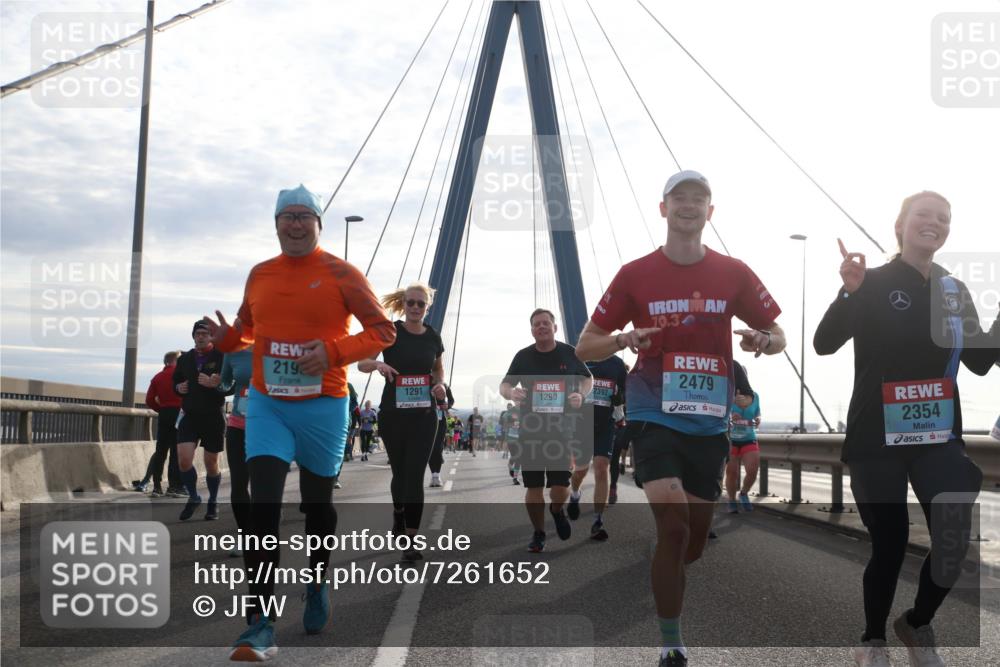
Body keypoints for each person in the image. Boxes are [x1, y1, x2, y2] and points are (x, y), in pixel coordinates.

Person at [575, 170, 786, 667]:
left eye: (699, 199)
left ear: (710, 213)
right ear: (663, 208)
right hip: (653, 414)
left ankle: (670, 564)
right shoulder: (635, 274)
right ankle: (671, 642)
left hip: (710, 425)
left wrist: (763, 342)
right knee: (672, 529)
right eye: (679, 198)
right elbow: (586, 344)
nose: (689, 205)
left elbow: (778, 334)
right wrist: (624, 339)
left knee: (691, 542)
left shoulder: (734, 272)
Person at [206, 184, 395, 661]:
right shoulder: (260, 274)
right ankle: (260, 622)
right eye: (286, 216)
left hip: (324, 404)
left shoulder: (342, 273)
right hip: (268, 404)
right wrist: (229, 337)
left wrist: (332, 351)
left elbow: (382, 331)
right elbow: (249, 328)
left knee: (317, 506)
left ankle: (316, 581)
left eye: (303, 216)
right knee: (261, 503)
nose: (294, 223)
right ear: (275, 224)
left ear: (317, 224)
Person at [814, 191, 1000, 667]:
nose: (933, 222)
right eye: (923, 214)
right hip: (876, 436)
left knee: (955, 539)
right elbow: (824, 343)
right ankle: (873, 640)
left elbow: (980, 362)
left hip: (937, 436)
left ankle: (916, 622)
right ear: (901, 224)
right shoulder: (871, 280)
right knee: (891, 543)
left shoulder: (955, 290)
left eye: (943, 217)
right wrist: (849, 291)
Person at [358, 282, 448, 562]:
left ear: (427, 307)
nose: (415, 308)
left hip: (424, 415)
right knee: (399, 474)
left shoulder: (433, 337)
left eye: (421, 304)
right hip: (393, 415)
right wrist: (378, 365)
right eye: (411, 303)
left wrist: (440, 386)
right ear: (403, 303)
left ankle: (411, 540)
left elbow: (438, 370)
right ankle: (398, 512)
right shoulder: (390, 331)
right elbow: (362, 362)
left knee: (414, 476)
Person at [500, 308, 593, 553]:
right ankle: (539, 532)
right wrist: (511, 392)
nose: (541, 327)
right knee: (533, 487)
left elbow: (587, 379)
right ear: (531, 330)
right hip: (530, 430)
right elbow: (505, 384)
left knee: (560, 487)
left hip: (561, 430)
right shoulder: (523, 356)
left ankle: (556, 510)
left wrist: (580, 394)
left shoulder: (570, 353)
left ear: (554, 327)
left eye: (545, 323)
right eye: (536, 324)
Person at [567, 351, 628, 541]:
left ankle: (598, 521)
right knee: (580, 472)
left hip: (605, 425)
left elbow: (626, 391)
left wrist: (620, 399)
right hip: (582, 425)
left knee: (602, 469)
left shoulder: (617, 364)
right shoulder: (580, 359)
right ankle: (575, 494)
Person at [173, 320, 226, 521]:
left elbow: (230, 384)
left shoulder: (221, 356)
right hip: (190, 415)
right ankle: (194, 497)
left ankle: (212, 500)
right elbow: (175, 381)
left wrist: (216, 384)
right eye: (198, 333)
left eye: (205, 333)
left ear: (211, 336)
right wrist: (178, 388)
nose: (201, 336)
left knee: (211, 463)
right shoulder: (185, 358)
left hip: (213, 415)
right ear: (193, 336)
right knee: (183, 460)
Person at [132, 350, 184, 497]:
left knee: (161, 451)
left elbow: (149, 400)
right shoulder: (181, 375)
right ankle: (173, 486)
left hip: (164, 413)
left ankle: (156, 487)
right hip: (179, 414)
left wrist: (160, 409)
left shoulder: (157, 377)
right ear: (176, 361)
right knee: (175, 451)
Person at [220, 345, 253, 557]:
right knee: (239, 483)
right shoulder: (233, 351)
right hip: (238, 424)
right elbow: (225, 383)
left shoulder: (279, 345)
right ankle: (246, 535)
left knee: (263, 486)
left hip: (272, 427)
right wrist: (218, 384)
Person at [725, 361, 760, 513]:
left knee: (752, 470)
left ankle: (744, 493)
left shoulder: (754, 395)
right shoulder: (726, 393)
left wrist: (758, 419)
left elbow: (757, 412)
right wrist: (730, 417)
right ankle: (731, 500)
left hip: (749, 436)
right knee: (732, 472)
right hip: (731, 438)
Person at [428, 385, 455, 488]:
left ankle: (437, 476)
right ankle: (433, 475)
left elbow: (451, 400)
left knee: (438, 447)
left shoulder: (444, 385)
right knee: (430, 448)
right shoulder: (426, 381)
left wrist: (448, 406)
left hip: (441, 420)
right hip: (427, 419)